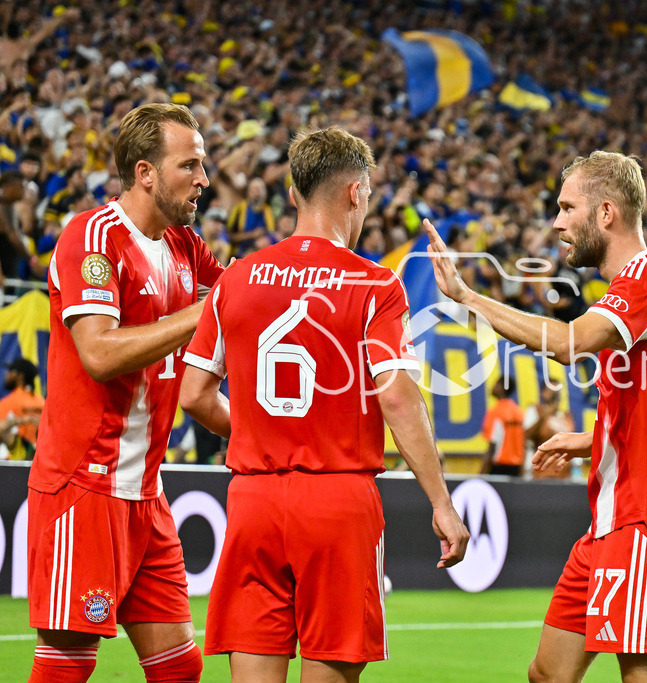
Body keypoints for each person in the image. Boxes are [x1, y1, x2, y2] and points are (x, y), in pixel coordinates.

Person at [178, 126, 468, 683]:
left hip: (253, 501)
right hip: (336, 502)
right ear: (357, 193)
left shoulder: (236, 278)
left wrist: (256, 433)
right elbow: (399, 399)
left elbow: (193, 393)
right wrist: (440, 501)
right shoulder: (375, 285)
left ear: (292, 193)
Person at [426, 150, 647, 682]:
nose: (556, 222)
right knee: (548, 674)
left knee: (645, 676)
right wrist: (593, 439)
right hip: (612, 519)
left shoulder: (646, 279)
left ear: (606, 213)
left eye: (566, 207)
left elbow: (568, 343)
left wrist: (468, 297)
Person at [26, 103, 224, 683]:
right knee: (67, 668)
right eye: (189, 165)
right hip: (83, 489)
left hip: (146, 494)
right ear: (145, 173)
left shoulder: (186, 246)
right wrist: (205, 311)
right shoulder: (91, 238)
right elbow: (100, 353)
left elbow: (241, 301)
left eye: (204, 165)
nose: (203, 180)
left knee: (180, 670)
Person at [524, 384, 577, 480]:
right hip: (542, 473)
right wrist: (544, 416)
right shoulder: (536, 410)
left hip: (563, 473)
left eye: (558, 391)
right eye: (551, 390)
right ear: (543, 393)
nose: (555, 394)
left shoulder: (566, 416)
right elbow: (526, 436)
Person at [481, 375, 526, 476]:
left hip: (499, 466)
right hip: (516, 468)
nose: (493, 387)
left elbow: (492, 445)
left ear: (502, 387)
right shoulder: (518, 412)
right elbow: (523, 443)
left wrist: (482, 473)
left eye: (496, 384)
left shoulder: (496, 412)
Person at [0, 357, 45, 451]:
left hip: (14, 460)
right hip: (40, 456)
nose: (7, 374)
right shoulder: (42, 402)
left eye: (11, 370)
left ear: (20, 376)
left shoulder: (9, 402)